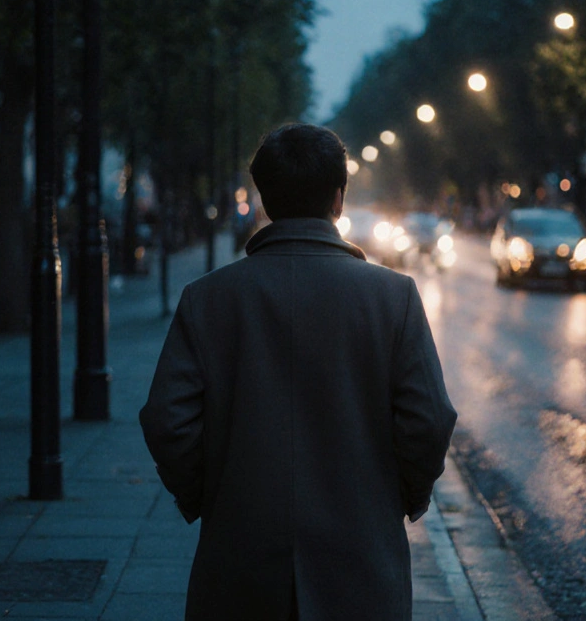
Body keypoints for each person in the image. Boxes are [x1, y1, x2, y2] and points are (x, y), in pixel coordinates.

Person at [139, 123, 457, 621]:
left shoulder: (208, 298)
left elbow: (166, 418)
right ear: (338, 199)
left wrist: (211, 494)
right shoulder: (392, 297)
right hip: (360, 562)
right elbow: (430, 420)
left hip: (239, 561)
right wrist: (401, 497)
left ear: (265, 200)